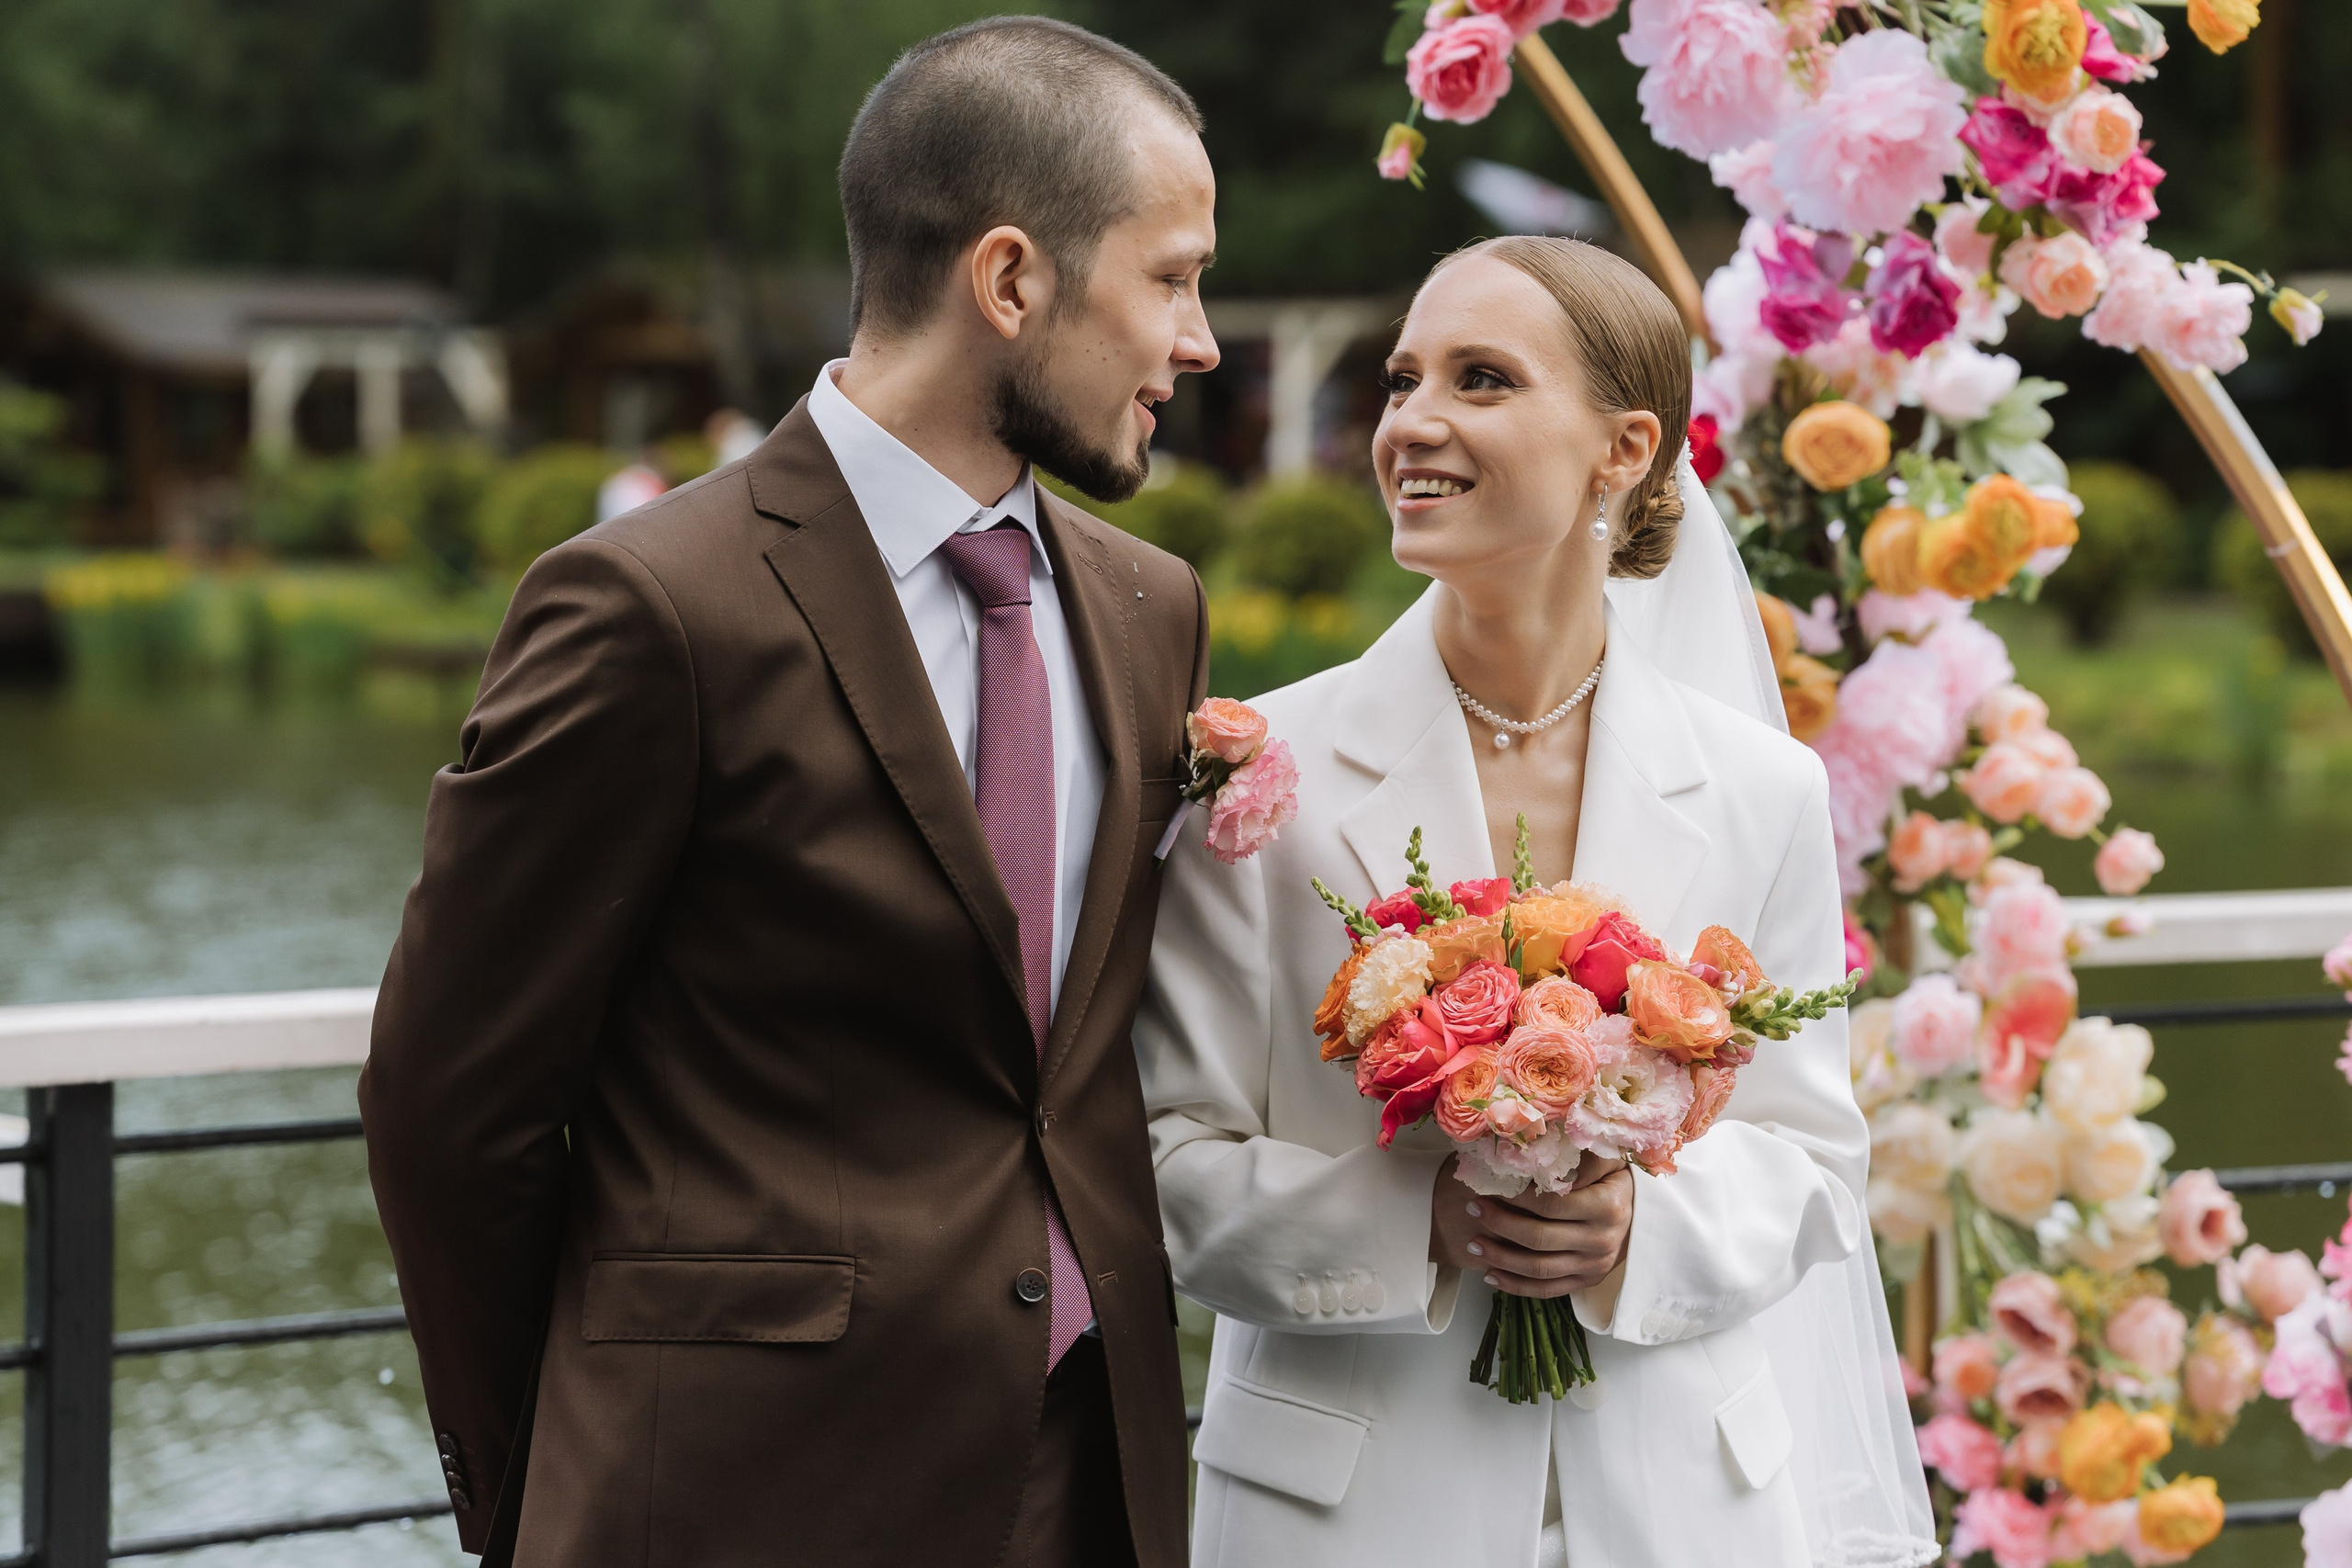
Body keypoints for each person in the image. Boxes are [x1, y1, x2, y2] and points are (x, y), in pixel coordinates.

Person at [360, 17, 1219, 1568]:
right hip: (733, 1499)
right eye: (1172, 277)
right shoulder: (649, 606)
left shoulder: (1155, 607)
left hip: (1095, 1483)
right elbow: (454, 1104)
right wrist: (539, 1487)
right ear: (1012, 280)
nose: (1200, 338)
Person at [1136, 238, 1937, 1567]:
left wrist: (1636, 1231)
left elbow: (1810, 1162)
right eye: (1402, 381)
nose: (1412, 423)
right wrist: (1426, 1222)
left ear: (1624, 448)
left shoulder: (1760, 788)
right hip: (1347, 1511)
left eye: (1483, 379)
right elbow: (1166, 1166)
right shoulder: (1257, 778)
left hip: (1693, 1509)